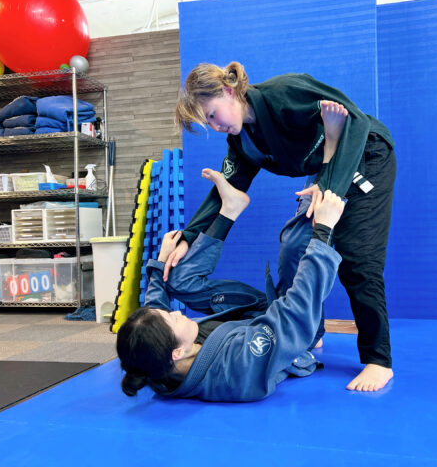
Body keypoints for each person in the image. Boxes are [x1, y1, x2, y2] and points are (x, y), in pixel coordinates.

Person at [170, 62, 397, 392]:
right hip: (326, 172)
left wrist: (330, 188)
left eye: (213, 115)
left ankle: (379, 360)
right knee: (294, 246)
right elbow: (225, 192)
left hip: (366, 154)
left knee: (356, 259)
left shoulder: (284, 93)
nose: (216, 126)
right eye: (209, 123)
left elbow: (356, 122)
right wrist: (189, 237)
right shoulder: (242, 141)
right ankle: (308, 332)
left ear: (228, 91)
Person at [116, 169, 344, 402]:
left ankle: (230, 209)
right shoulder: (237, 367)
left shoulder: (157, 362)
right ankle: (330, 172)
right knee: (294, 245)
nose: (176, 313)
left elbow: (155, 310)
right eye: (173, 319)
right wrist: (324, 229)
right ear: (178, 353)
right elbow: (295, 314)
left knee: (176, 280)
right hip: (295, 326)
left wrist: (161, 261)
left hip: (253, 316)